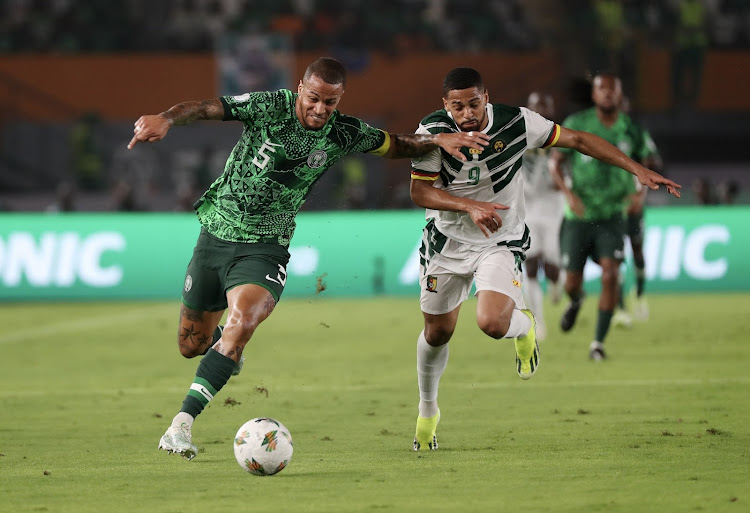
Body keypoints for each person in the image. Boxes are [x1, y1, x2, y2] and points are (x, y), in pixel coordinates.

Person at [127, 57, 491, 461]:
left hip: (265, 248)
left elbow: (395, 145)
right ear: (301, 88)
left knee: (242, 321)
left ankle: (181, 425)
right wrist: (166, 118)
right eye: (314, 98)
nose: (320, 109)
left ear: (340, 100)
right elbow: (208, 107)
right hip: (214, 234)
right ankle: (225, 352)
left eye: (330, 102)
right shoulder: (270, 106)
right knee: (191, 345)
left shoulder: (344, 132)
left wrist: (436, 142)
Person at [409, 67, 680, 451]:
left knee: (490, 322)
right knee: (438, 333)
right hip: (445, 243)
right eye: (457, 107)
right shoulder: (432, 132)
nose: (467, 113)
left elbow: (580, 141)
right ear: (445, 105)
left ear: (487, 96)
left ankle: (525, 327)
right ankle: (428, 409)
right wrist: (469, 206)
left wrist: (636, 168)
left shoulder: (517, 122)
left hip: (498, 238)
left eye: (473, 103)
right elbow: (420, 193)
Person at [549, 72, 661, 361]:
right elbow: (555, 163)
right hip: (578, 215)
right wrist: (568, 194)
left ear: (620, 95)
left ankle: (597, 343)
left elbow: (647, 162)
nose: (607, 93)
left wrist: (639, 193)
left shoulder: (632, 131)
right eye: (602, 88)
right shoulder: (577, 124)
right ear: (594, 94)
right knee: (572, 282)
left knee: (611, 274)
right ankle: (576, 300)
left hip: (612, 215)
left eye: (613, 89)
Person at [613, 95, 664, 326]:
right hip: (612, 203)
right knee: (615, 256)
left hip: (633, 203)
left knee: (637, 250)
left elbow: (654, 161)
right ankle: (620, 308)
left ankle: (640, 295)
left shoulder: (636, 133)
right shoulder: (601, 132)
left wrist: (640, 195)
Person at [520, 91, 564, 342]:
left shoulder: (561, 138)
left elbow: (571, 172)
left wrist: (563, 179)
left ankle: (557, 284)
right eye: (536, 107)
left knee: (552, 265)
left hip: (553, 208)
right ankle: (538, 321)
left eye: (545, 106)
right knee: (532, 265)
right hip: (526, 208)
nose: (540, 112)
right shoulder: (518, 137)